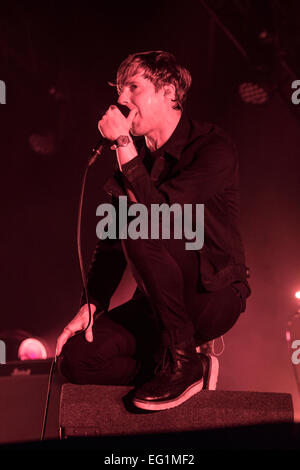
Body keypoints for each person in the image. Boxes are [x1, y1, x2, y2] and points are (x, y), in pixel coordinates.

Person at [56, 51, 251, 411]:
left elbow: (156, 213)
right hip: (159, 305)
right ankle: (184, 369)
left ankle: (184, 360)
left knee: (143, 225)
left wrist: (123, 144)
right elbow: (112, 242)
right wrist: (93, 302)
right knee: (77, 359)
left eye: (133, 87)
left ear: (169, 91)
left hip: (212, 293)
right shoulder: (134, 162)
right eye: (119, 90)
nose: (121, 100)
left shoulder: (211, 148)